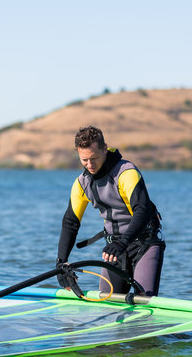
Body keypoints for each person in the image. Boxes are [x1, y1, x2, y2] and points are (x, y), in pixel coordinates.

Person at [56, 126, 165, 296]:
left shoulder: (126, 172)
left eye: (94, 158)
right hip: (114, 249)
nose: (90, 165)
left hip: (144, 243)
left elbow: (142, 211)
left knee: (145, 302)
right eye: (84, 160)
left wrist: (122, 243)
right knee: (107, 304)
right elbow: (70, 222)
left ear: (105, 149)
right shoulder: (81, 183)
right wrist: (61, 263)